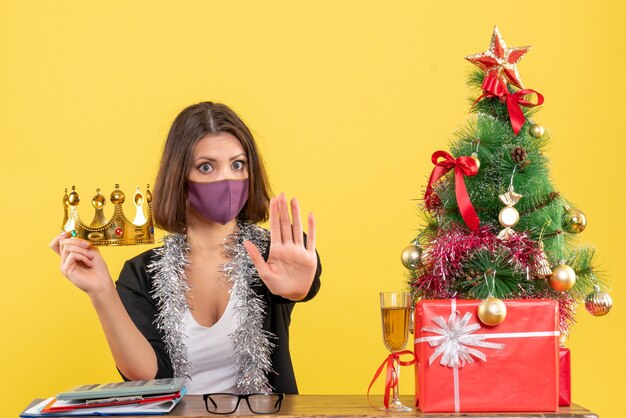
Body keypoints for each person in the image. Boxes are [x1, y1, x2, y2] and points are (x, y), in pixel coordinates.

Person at [49, 102, 322, 395]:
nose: (225, 179)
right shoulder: (142, 273)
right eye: (206, 167)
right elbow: (146, 375)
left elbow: (303, 282)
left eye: (237, 164)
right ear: (180, 177)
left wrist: (296, 289)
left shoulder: (275, 253)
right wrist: (101, 291)